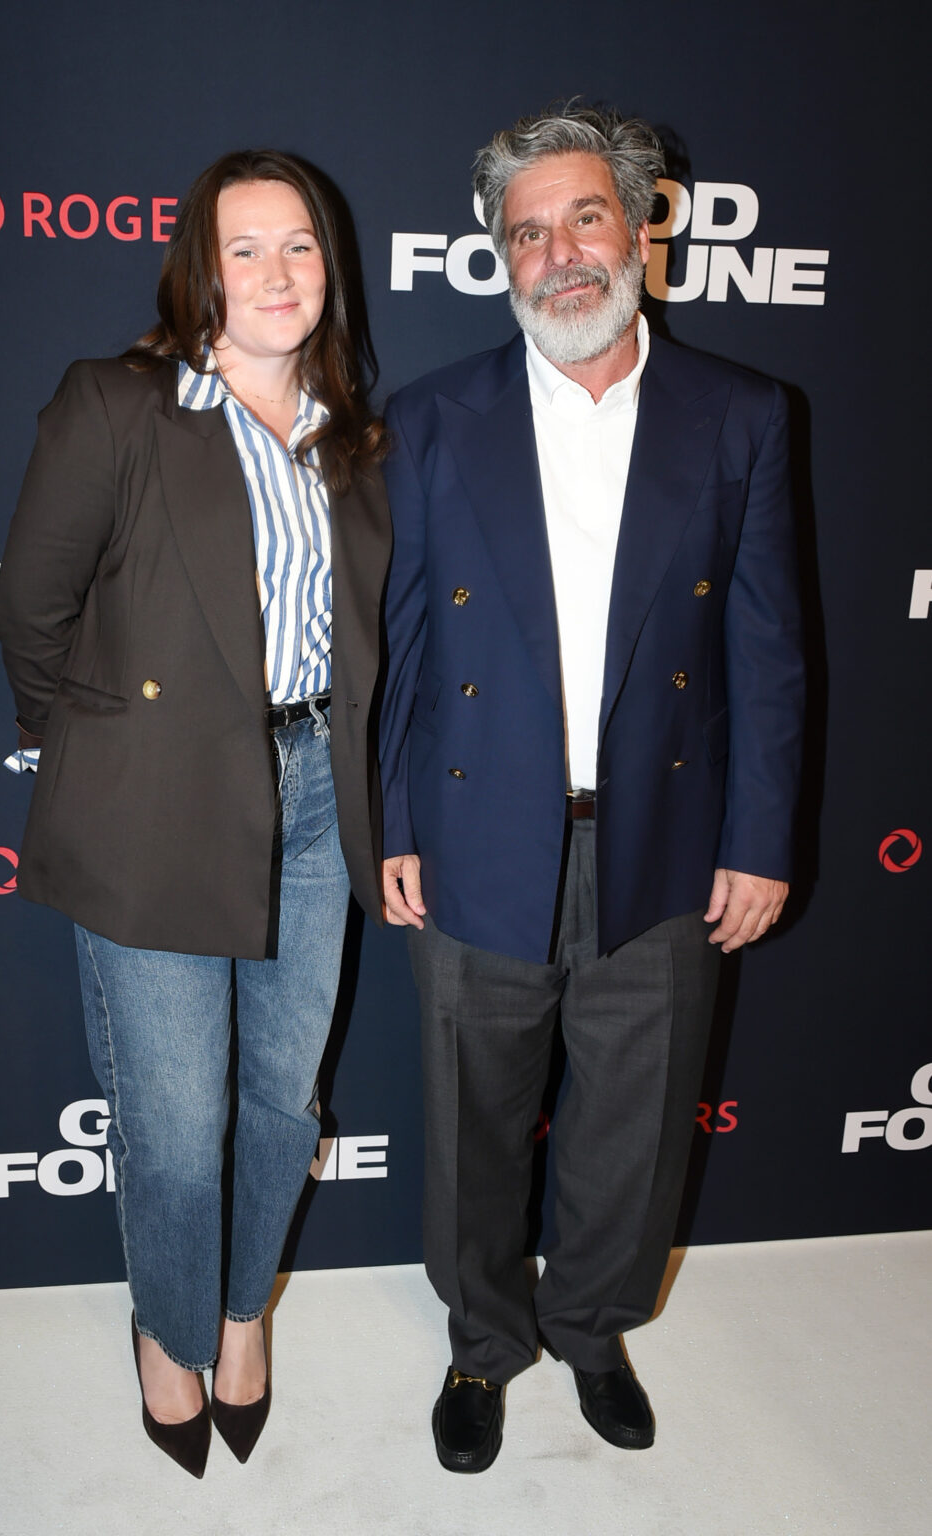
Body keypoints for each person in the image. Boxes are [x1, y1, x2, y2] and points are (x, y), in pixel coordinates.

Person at [380, 103, 805, 1472]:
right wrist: (397, 822)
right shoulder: (431, 417)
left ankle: (592, 1328)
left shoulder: (740, 415)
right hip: (474, 829)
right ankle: (481, 1344)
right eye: (526, 232)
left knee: (635, 1119)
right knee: (472, 1122)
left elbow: (766, 650)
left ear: (640, 229)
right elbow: (400, 647)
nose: (558, 253)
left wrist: (757, 838)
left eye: (583, 218)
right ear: (498, 257)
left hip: (665, 839)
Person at [0, 149, 390, 1478]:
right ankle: (167, 1332)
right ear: (199, 271)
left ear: (330, 268)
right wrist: (106, 754)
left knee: (281, 1097)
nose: (279, 273)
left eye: (301, 246)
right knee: (172, 1120)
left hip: (317, 799)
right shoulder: (120, 405)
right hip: (155, 801)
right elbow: (31, 614)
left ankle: (240, 1313)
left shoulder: (353, 440)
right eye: (246, 248)